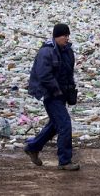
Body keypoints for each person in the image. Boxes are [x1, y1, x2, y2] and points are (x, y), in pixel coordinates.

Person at [24, 23, 80, 171]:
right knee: (64, 125)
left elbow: (68, 74)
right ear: (56, 36)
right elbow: (44, 76)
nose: (67, 38)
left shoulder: (67, 51)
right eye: (64, 36)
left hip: (62, 94)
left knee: (55, 126)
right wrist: (56, 91)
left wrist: (70, 92)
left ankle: (33, 147)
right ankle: (65, 161)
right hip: (51, 94)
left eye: (68, 35)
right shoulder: (47, 52)